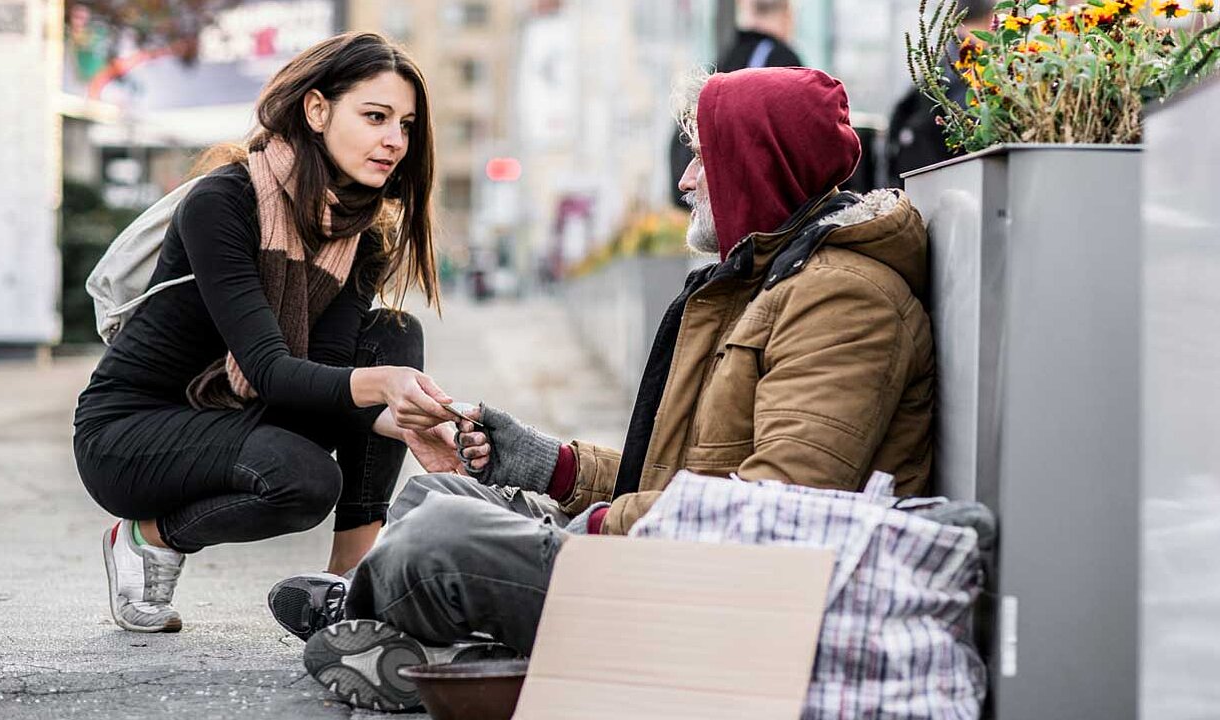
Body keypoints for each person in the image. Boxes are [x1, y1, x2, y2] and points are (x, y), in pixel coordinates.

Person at [277, 66, 936, 712]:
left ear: (758, 162)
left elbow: (776, 510)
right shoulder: (771, 281)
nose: (685, 179)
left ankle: (388, 623)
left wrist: (595, 526)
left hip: (726, 605)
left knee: (438, 536)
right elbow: (682, 479)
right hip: (680, 566)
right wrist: (551, 465)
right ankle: (450, 650)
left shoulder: (845, 299)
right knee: (434, 493)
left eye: (702, 157)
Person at [73, 32, 483, 634]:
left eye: (406, 124)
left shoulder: (359, 235)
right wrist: (386, 388)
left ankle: (351, 576)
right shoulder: (223, 202)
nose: (394, 140)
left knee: (393, 334)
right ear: (317, 111)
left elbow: (329, 370)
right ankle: (147, 539)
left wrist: (420, 420)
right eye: (375, 116)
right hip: (131, 433)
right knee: (304, 478)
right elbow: (270, 369)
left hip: (246, 413)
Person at [669, 0, 804, 209]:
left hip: (709, 206)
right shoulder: (783, 62)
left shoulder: (727, 59)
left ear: (744, 8)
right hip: (748, 209)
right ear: (789, 15)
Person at [884, 0, 996, 187]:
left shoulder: (941, 63)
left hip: (926, 181)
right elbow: (976, 127)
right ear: (991, 18)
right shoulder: (970, 65)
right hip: (957, 181)